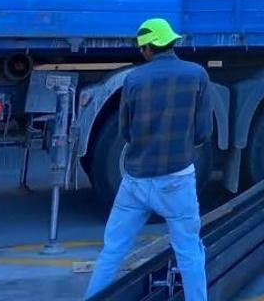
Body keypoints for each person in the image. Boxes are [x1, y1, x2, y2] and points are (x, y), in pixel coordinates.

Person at [85, 17, 213, 301]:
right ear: (171, 42)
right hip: (177, 181)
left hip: (136, 182)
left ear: (146, 49)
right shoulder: (197, 75)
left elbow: (126, 132)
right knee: (190, 252)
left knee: (112, 251)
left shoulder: (133, 80)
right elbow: (203, 133)